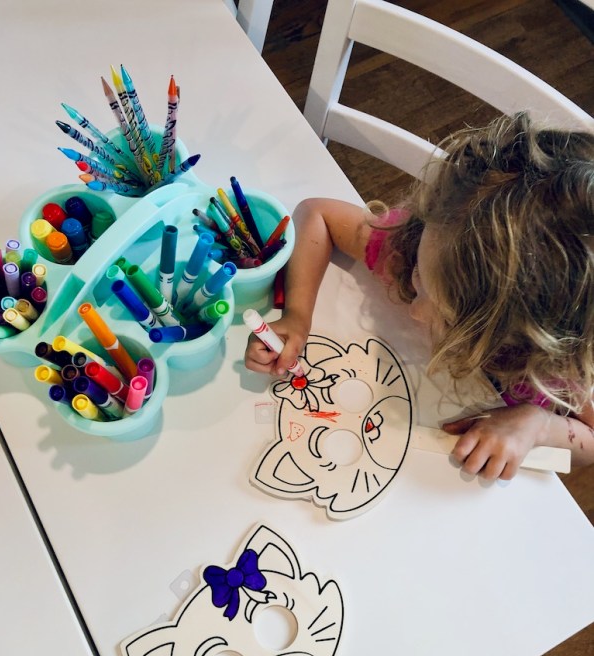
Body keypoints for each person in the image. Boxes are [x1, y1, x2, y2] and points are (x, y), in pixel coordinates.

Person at [245, 113, 594, 480]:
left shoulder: (551, 375)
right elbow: (318, 213)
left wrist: (536, 424)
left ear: (513, 341)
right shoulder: (416, 246)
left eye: (443, 312)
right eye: (417, 276)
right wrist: (298, 316)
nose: (415, 308)